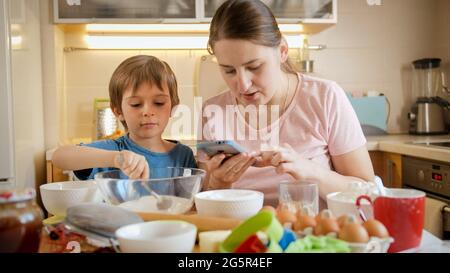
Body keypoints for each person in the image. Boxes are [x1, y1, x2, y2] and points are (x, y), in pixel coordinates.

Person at [198, 0, 374, 207]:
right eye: (229, 71)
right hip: (241, 235)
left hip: (311, 234)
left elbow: (367, 191)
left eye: (254, 67)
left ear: (282, 51)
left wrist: (308, 170)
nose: (243, 85)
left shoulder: (325, 97)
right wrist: (219, 182)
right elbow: (203, 204)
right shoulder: (212, 112)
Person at [52, 55, 197, 180]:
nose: (147, 111)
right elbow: (59, 157)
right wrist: (116, 159)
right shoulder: (113, 150)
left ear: (173, 107)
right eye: (135, 104)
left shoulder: (183, 155)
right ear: (118, 111)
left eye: (159, 102)